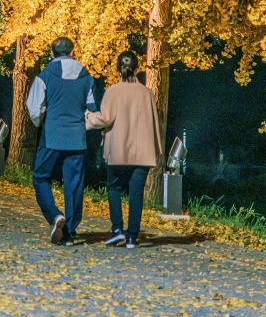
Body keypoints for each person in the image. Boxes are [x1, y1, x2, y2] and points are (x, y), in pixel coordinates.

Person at [87, 51, 164, 249]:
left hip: (118, 151)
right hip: (142, 152)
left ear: (118, 68)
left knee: (114, 189)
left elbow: (105, 119)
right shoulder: (147, 93)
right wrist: (156, 149)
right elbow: (154, 122)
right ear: (136, 69)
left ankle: (117, 230)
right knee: (136, 193)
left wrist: (87, 116)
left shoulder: (113, 91)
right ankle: (132, 237)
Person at [26, 36, 98, 245]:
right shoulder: (86, 77)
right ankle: (70, 233)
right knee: (74, 185)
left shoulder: (45, 75)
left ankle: (54, 214)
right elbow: (93, 109)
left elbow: (34, 108)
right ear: (72, 52)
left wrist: (41, 122)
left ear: (52, 53)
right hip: (77, 138)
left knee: (40, 177)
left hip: (52, 136)